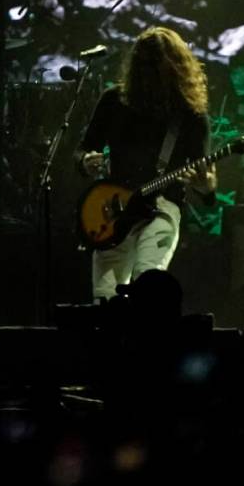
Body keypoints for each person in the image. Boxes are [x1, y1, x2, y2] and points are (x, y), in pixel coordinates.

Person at [74, 26, 216, 301]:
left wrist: (207, 187)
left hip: (161, 206)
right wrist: (85, 160)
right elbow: (83, 148)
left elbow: (204, 181)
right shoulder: (114, 100)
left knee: (148, 282)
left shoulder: (190, 115)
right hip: (114, 208)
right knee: (104, 297)